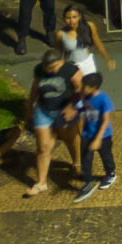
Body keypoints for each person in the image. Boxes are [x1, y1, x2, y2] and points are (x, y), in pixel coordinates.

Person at [23, 50, 78, 196]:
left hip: (64, 110)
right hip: (44, 110)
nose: (55, 70)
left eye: (57, 66)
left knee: (70, 139)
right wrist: (30, 104)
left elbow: (81, 88)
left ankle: (77, 162)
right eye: (51, 68)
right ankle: (41, 182)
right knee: (43, 147)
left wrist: (73, 106)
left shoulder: (70, 69)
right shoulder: (39, 70)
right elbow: (35, 87)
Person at [72, 71, 117, 201]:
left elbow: (105, 120)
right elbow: (80, 110)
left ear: (93, 87)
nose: (82, 88)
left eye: (84, 86)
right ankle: (88, 181)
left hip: (103, 135)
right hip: (87, 133)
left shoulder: (103, 99)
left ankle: (110, 174)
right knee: (85, 158)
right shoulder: (84, 97)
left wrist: (98, 139)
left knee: (106, 156)